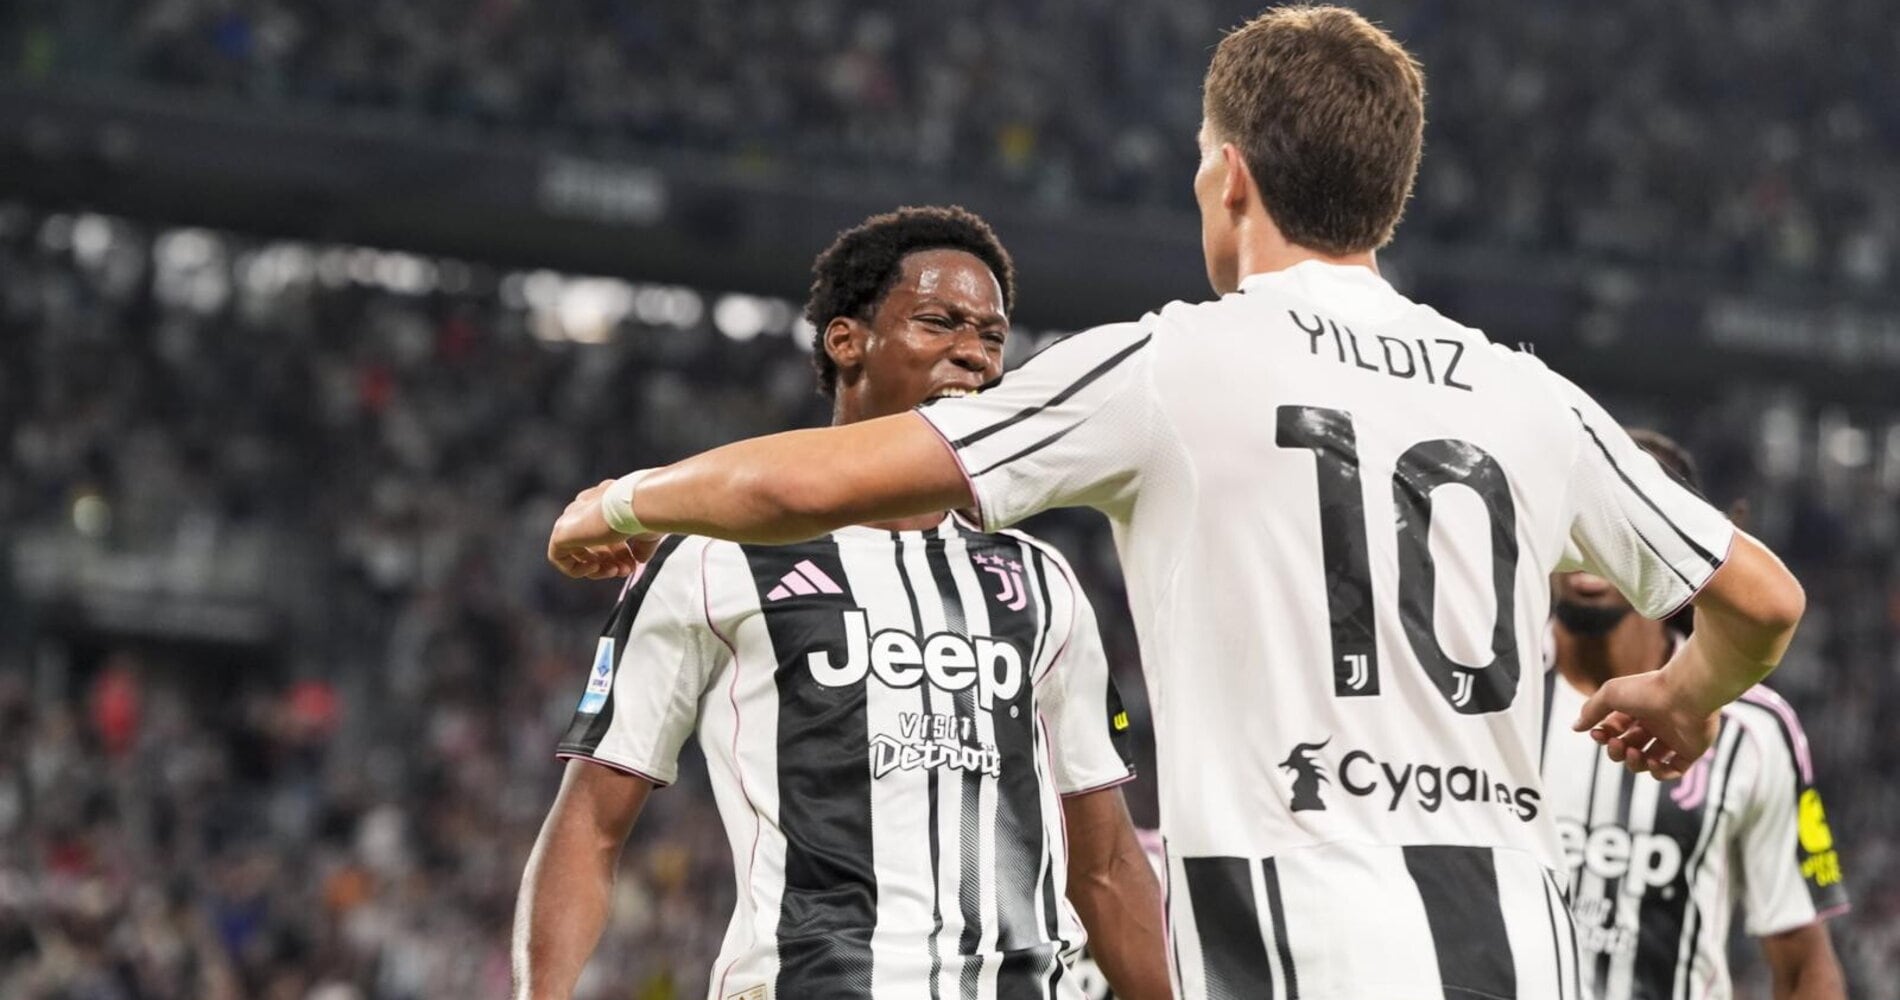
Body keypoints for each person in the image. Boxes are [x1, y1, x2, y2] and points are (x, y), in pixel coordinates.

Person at [545, 8, 1807, 997]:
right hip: (1521, 950)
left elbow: (795, 483)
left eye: (1204, 161)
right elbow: (1761, 600)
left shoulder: (1171, 363)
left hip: (1295, 939)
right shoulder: (1529, 394)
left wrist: (623, 500)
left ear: (1231, 178)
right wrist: (1684, 695)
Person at [511, 206, 1170, 1000]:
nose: (974, 352)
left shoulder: (1040, 581)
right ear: (846, 341)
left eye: (993, 336)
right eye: (940, 322)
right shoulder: (711, 558)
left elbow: (1106, 864)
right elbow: (590, 823)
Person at [1543, 430, 1846, 1000]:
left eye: (1621, 524)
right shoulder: (1487, 691)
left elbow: (1805, 965)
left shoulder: (1756, 730)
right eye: (1579, 517)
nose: (1592, 544)